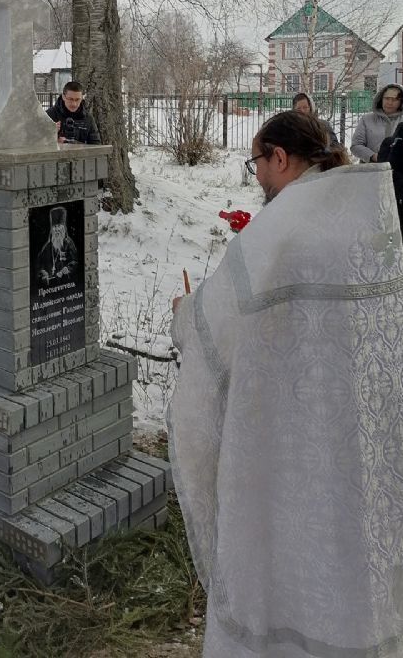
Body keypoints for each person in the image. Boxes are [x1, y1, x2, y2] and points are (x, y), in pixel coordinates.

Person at [167, 110, 403, 658]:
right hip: (363, 424)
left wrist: (184, 315)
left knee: (289, 546)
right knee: (353, 548)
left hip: (291, 433)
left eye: (257, 162)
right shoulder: (366, 212)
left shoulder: (284, 226)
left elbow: (215, 323)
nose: (256, 176)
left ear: (279, 157)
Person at [350, 82, 403, 162]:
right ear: (381, 99)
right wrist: (373, 156)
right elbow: (356, 145)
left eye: (394, 99)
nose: (389, 103)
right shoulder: (367, 119)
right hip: (371, 167)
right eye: (387, 98)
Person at [36, 205, 79, 286]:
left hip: (66, 283)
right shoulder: (48, 246)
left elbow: (75, 261)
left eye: (59, 226)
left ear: (63, 228)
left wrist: (68, 268)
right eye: (55, 227)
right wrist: (42, 272)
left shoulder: (68, 243)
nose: (57, 229)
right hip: (51, 285)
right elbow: (39, 263)